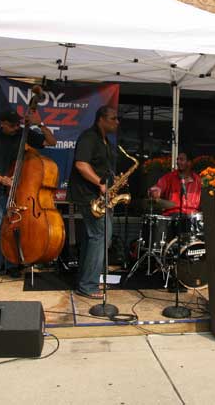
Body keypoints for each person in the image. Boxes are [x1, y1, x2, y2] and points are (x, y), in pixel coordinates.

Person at [0, 108, 56, 280]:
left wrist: (41, 124)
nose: (16, 128)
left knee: (16, 227)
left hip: (20, 193)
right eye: (12, 126)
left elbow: (52, 142)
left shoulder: (24, 134)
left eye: (18, 125)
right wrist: (3, 180)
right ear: (2, 124)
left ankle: (13, 264)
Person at [67, 105, 119, 300]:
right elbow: (81, 164)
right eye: (113, 118)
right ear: (101, 119)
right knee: (100, 237)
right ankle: (88, 285)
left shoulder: (105, 141)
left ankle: (87, 279)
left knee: (94, 239)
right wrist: (101, 184)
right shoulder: (89, 137)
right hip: (89, 196)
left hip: (98, 197)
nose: (117, 122)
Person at [148, 151, 201, 216]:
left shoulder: (198, 180)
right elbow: (158, 187)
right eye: (177, 160)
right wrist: (154, 191)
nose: (178, 162)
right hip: (172, 215)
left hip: (192, 217)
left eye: (181, 160)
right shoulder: (169, 177)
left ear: (189, 163)